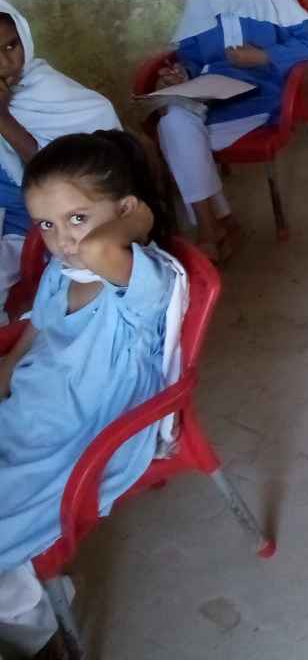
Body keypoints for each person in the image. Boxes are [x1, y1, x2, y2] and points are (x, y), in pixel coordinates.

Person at [0, 131, 178, 659]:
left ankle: (36, 632)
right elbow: (38, 328)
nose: (62, 241)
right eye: (46, 225)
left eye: (77, 218)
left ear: (125, 211)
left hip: (82, 437)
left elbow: (102, 247)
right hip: (34, 410)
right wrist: (9, 365)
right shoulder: (65, 270)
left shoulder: (143, 280)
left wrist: (137, 222)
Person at [154, 0, 308, 263]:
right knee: (173, 124)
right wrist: (182, 74)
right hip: (210, 96)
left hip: (260, 97)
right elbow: (190, 54)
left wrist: (263, 57)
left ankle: (214, 228)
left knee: (181, 140)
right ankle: (216, 225)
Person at [0, 0, 120, 319]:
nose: (6, 62)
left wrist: (3, 118)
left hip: (32, 218)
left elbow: (54, 175)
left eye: (11, 46)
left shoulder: (45, 87)